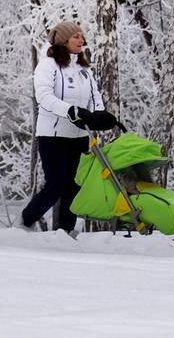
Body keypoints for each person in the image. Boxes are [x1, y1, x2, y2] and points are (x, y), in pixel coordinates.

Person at [19, 21, 120, 233]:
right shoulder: (48, 65)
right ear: (63, 40)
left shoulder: (84, 69)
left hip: (79, 136)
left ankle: (65, 232)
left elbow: (95, 96)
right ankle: (25, 223)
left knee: (74, 187)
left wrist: (98, 113)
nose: (81, 40)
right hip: (53, 135)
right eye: (76, 36)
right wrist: (70, 111)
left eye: (81, 36)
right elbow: (44, 97)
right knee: (55, 186)